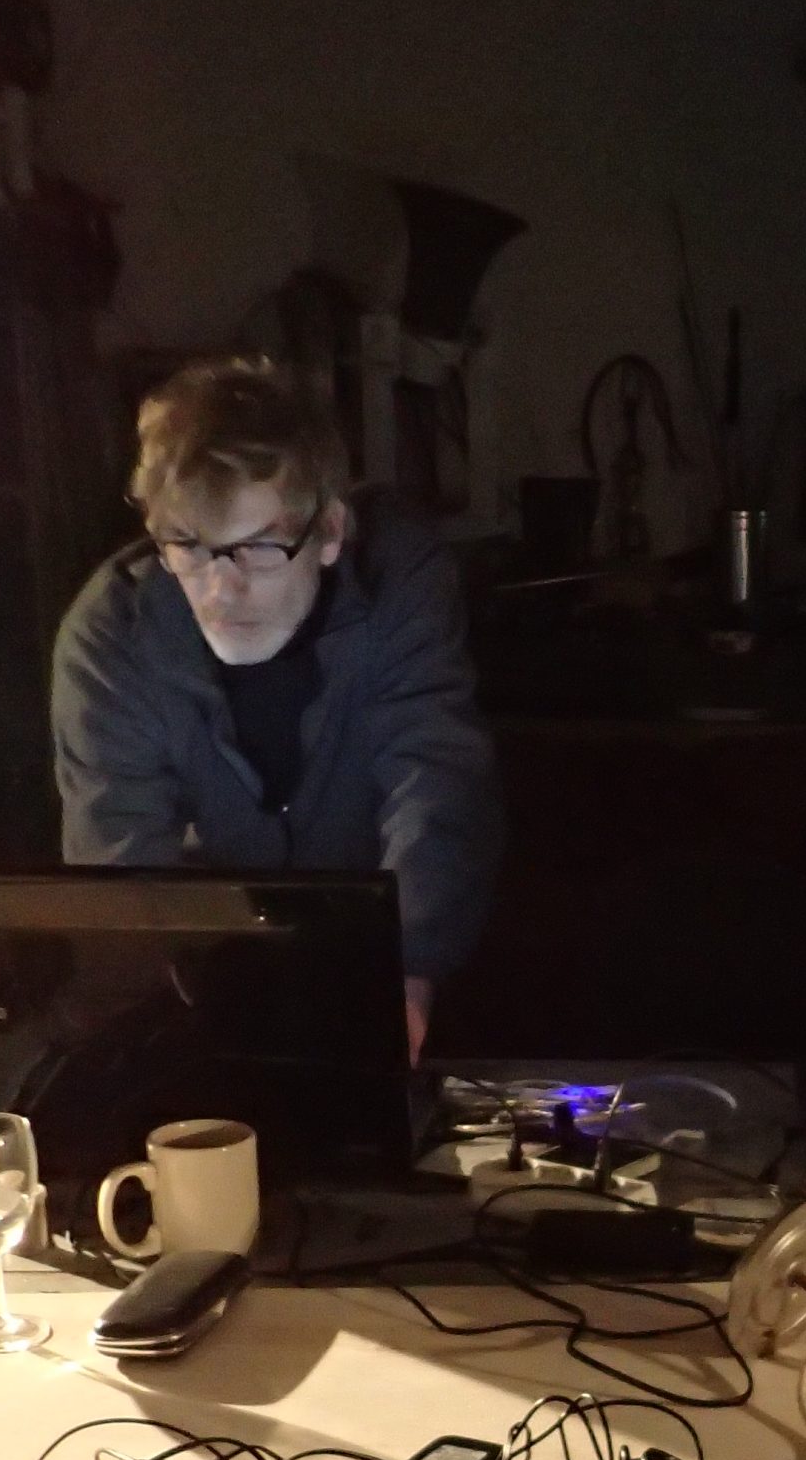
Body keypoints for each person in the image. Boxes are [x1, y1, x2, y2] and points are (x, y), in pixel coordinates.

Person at [52, 355, 502, 1061]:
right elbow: (118, 871)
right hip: (204, 990)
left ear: (329, 531)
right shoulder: (110, 635)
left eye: (258, 548)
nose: (219, 591)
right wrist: (154, 1036)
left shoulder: (399, 580)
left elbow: (433, 781)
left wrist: (409, 968)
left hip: (387, 953)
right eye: (190, 547)